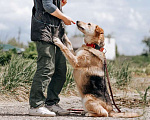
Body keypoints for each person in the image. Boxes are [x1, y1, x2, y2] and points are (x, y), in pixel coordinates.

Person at [29, 0, 75, 117]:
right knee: (46, 68)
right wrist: (65, 17)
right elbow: (48, 6)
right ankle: (36, 105)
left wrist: (60, 5)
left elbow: (52, 7)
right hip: (43, 29)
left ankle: (51, 103)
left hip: (57, 31)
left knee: (61, 70)